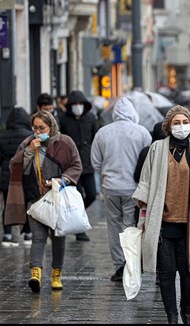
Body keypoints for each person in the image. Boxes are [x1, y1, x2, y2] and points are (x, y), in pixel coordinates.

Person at [132, 106, 190, 324]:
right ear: (168, 126)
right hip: (162, 223)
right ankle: (171, 316)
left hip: (189, 224)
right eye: (176, 123)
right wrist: (143, 217)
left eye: (184, 122)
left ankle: (186, 312)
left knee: (189, 273)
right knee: (166, 274)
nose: (180, 126)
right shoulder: (157, 148)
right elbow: (146, 184)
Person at [5, 110, 82, 293]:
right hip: (35, 198)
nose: (38, 132)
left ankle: (56, 275)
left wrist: (62, 180)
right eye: (35, 128)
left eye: (42, 128)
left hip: (57, 198)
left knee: (58, 238)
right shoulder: (27, 143)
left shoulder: (65, 142)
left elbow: (76, 165)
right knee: (38, 238)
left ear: (51, 126)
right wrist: (29, 152)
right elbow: (15, 167)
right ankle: (36, 274)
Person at [91, 97, 152, 282]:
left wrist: (106, 173)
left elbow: (95, 162)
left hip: (110, 188)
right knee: (130, 227)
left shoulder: (102, 132)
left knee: (114, 227)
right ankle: (130, 264)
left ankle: (118, 265)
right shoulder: (142, 133)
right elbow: (148, 160)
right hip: (133, 189)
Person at [58, 90, 98, 242]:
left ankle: (77, 217)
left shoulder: (91, 118)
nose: (77, 106)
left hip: (87, 164)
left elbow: (96, 137)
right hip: (70, 166)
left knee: (92, 195)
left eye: (80, 104)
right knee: (78, 196)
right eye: (75, 104)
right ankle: (79, 230)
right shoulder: (63, 119)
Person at [1, 107, 33, 247]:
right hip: (24, 174)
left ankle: (7, 235)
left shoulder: (2, 135)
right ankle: (27, 234)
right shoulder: (29, 136)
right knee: (25, 204)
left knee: (8, 205)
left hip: (6, 174)